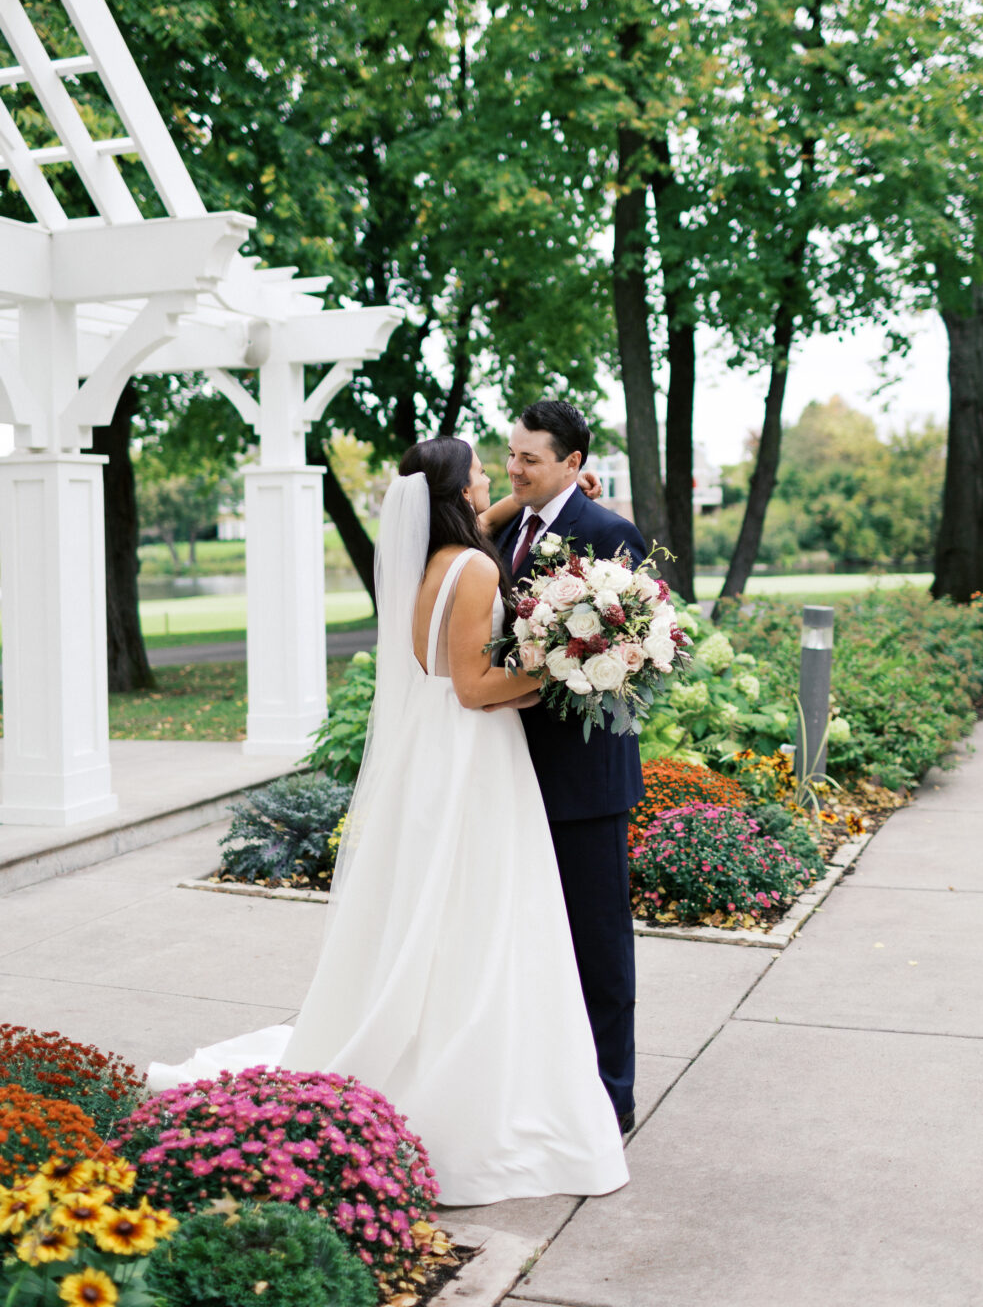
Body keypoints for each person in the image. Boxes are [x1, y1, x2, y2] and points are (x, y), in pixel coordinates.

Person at [149, 436, 628, 1206]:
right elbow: (473, 687)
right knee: (486, 911)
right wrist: (561, 669)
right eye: (479, 472)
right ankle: (470, 1078)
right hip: (475, 748)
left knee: (442, 909)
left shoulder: (426, 563)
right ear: (454, 491)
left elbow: (469, 554)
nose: (491, 480)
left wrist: (529, 505)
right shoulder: (473, 568)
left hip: (437, 751)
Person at [494, 400, 647, 1136]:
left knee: (598, 944)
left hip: (584, 776)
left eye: (528, 458)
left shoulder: (609, 535)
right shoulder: (502, 533)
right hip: (503, 769)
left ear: (572, 464)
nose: (513, 468)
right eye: (510, 454)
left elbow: (636, 655)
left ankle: (611, 1096)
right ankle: (542, 1082)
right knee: (524, 940)